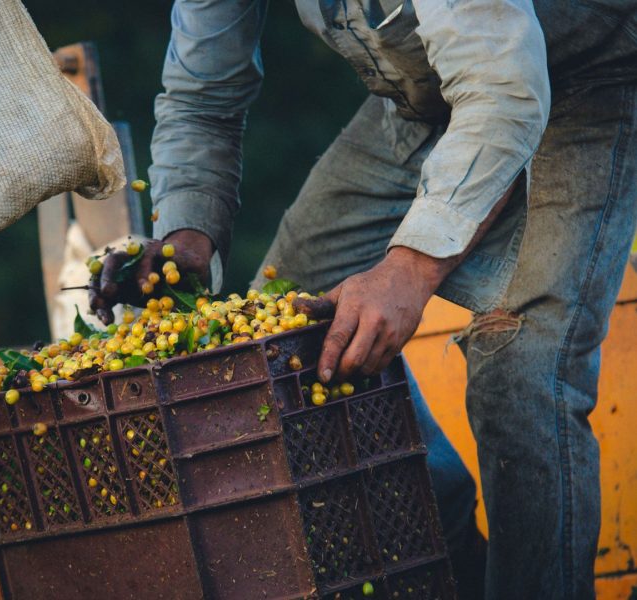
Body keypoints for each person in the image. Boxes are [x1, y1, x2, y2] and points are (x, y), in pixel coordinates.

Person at [89, 1, 637, 598]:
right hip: (422, 98)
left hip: (590, 77)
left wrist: (410, 269)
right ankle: (447, 540)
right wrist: (187, 239)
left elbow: (503, 91)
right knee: (280, 346)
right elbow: (201, 94)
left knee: (523, 375)